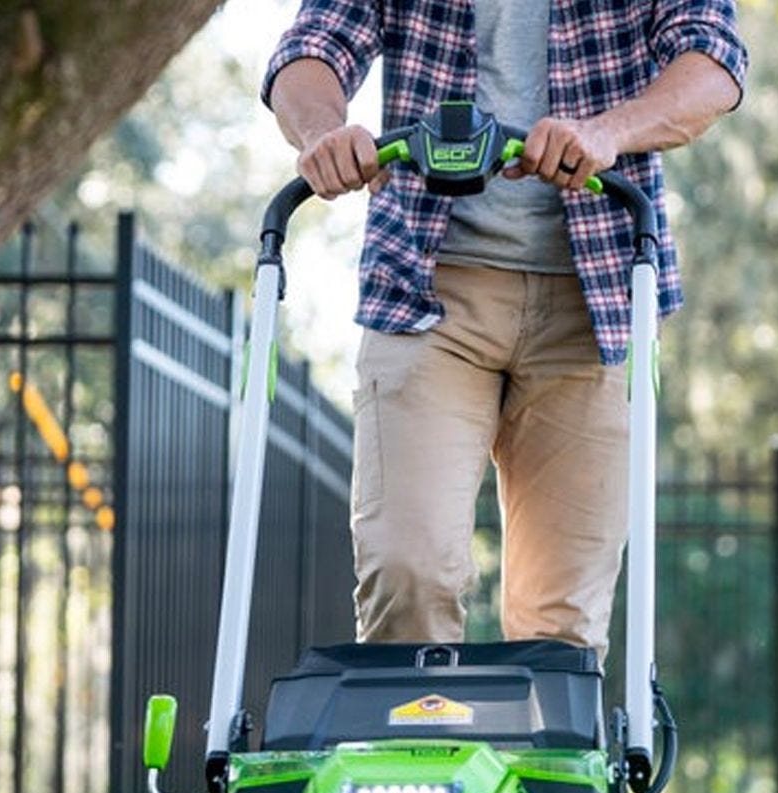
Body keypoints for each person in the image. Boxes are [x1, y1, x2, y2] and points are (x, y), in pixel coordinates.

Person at [263, 1, 747, 663]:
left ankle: (544, 763)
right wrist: (324, 132)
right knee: (409, 577)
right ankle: (414, 764)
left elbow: (713, 59)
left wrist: (608, 131)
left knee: (561, 626)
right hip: (426, 289)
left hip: (595, 297)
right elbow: (313, 44)